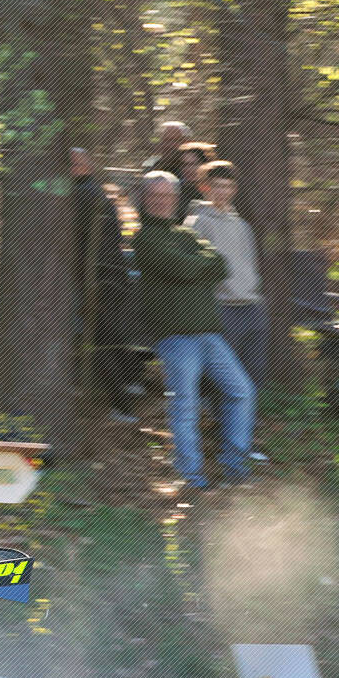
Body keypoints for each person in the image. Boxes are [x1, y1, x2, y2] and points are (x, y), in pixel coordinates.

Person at [133, 172, 255, 489]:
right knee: (184, 405)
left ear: (176, 199)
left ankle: (235, 467)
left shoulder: (185, 233)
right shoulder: (144, 238)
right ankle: (191, 476)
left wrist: (192, 269)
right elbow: (184, 267)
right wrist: (196, 269)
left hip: (208, 333)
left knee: (241, 391)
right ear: (145, 199)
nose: (161, 201)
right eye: (155, 195)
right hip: (176, 338)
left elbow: (220, 264)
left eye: (167, 195)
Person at [70, 147, 142, 421]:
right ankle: (132, 380)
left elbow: (77, 242)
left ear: (87, 167)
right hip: (110, 276)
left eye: (75, 164)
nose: (71, 169)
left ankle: (121, 405)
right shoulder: (94, 192)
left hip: (98, 280)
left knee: (99, 340)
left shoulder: (82, 194)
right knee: (111, 334)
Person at [185, 161, 269, 390]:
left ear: (234, 189)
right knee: (222, 378)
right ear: (204, 187)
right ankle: (214, 412)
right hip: (221, 308)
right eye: (217, 186)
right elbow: (193, 269)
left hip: (252, 306)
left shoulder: (242, 226)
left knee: (254, 374)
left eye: (228, 186)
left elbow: (250, 265)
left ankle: (247, 414)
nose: (222, 192)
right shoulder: (197, 223)